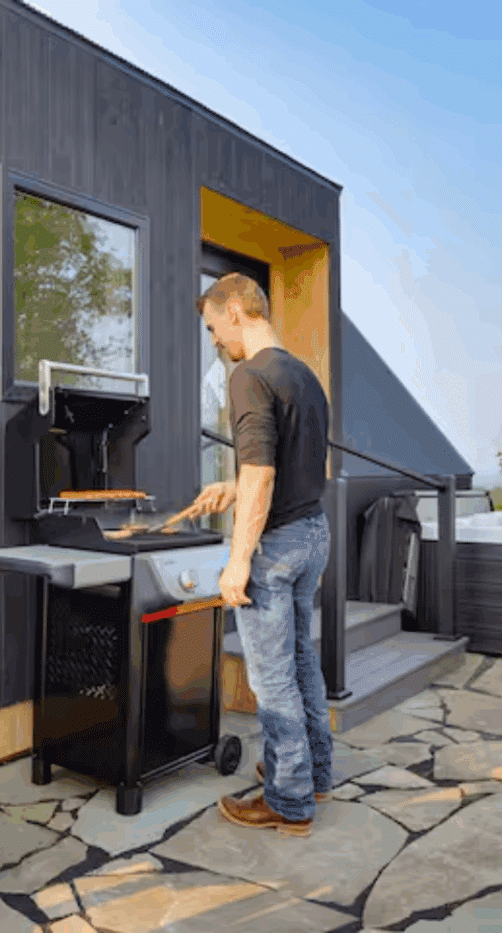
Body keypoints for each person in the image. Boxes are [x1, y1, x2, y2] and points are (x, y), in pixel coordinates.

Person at [185, 272, 333, 837]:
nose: (216, 341)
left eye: (214, 327)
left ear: (237, 312)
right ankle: (314, 773)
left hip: (276, 549)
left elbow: (263, 471)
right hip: (313, 533)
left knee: (272, 684)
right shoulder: (303, 375)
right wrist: (232, 490)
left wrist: (239, 558)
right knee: (301, 667)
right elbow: (289, 466)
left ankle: (288, 800)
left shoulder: (248, 375)